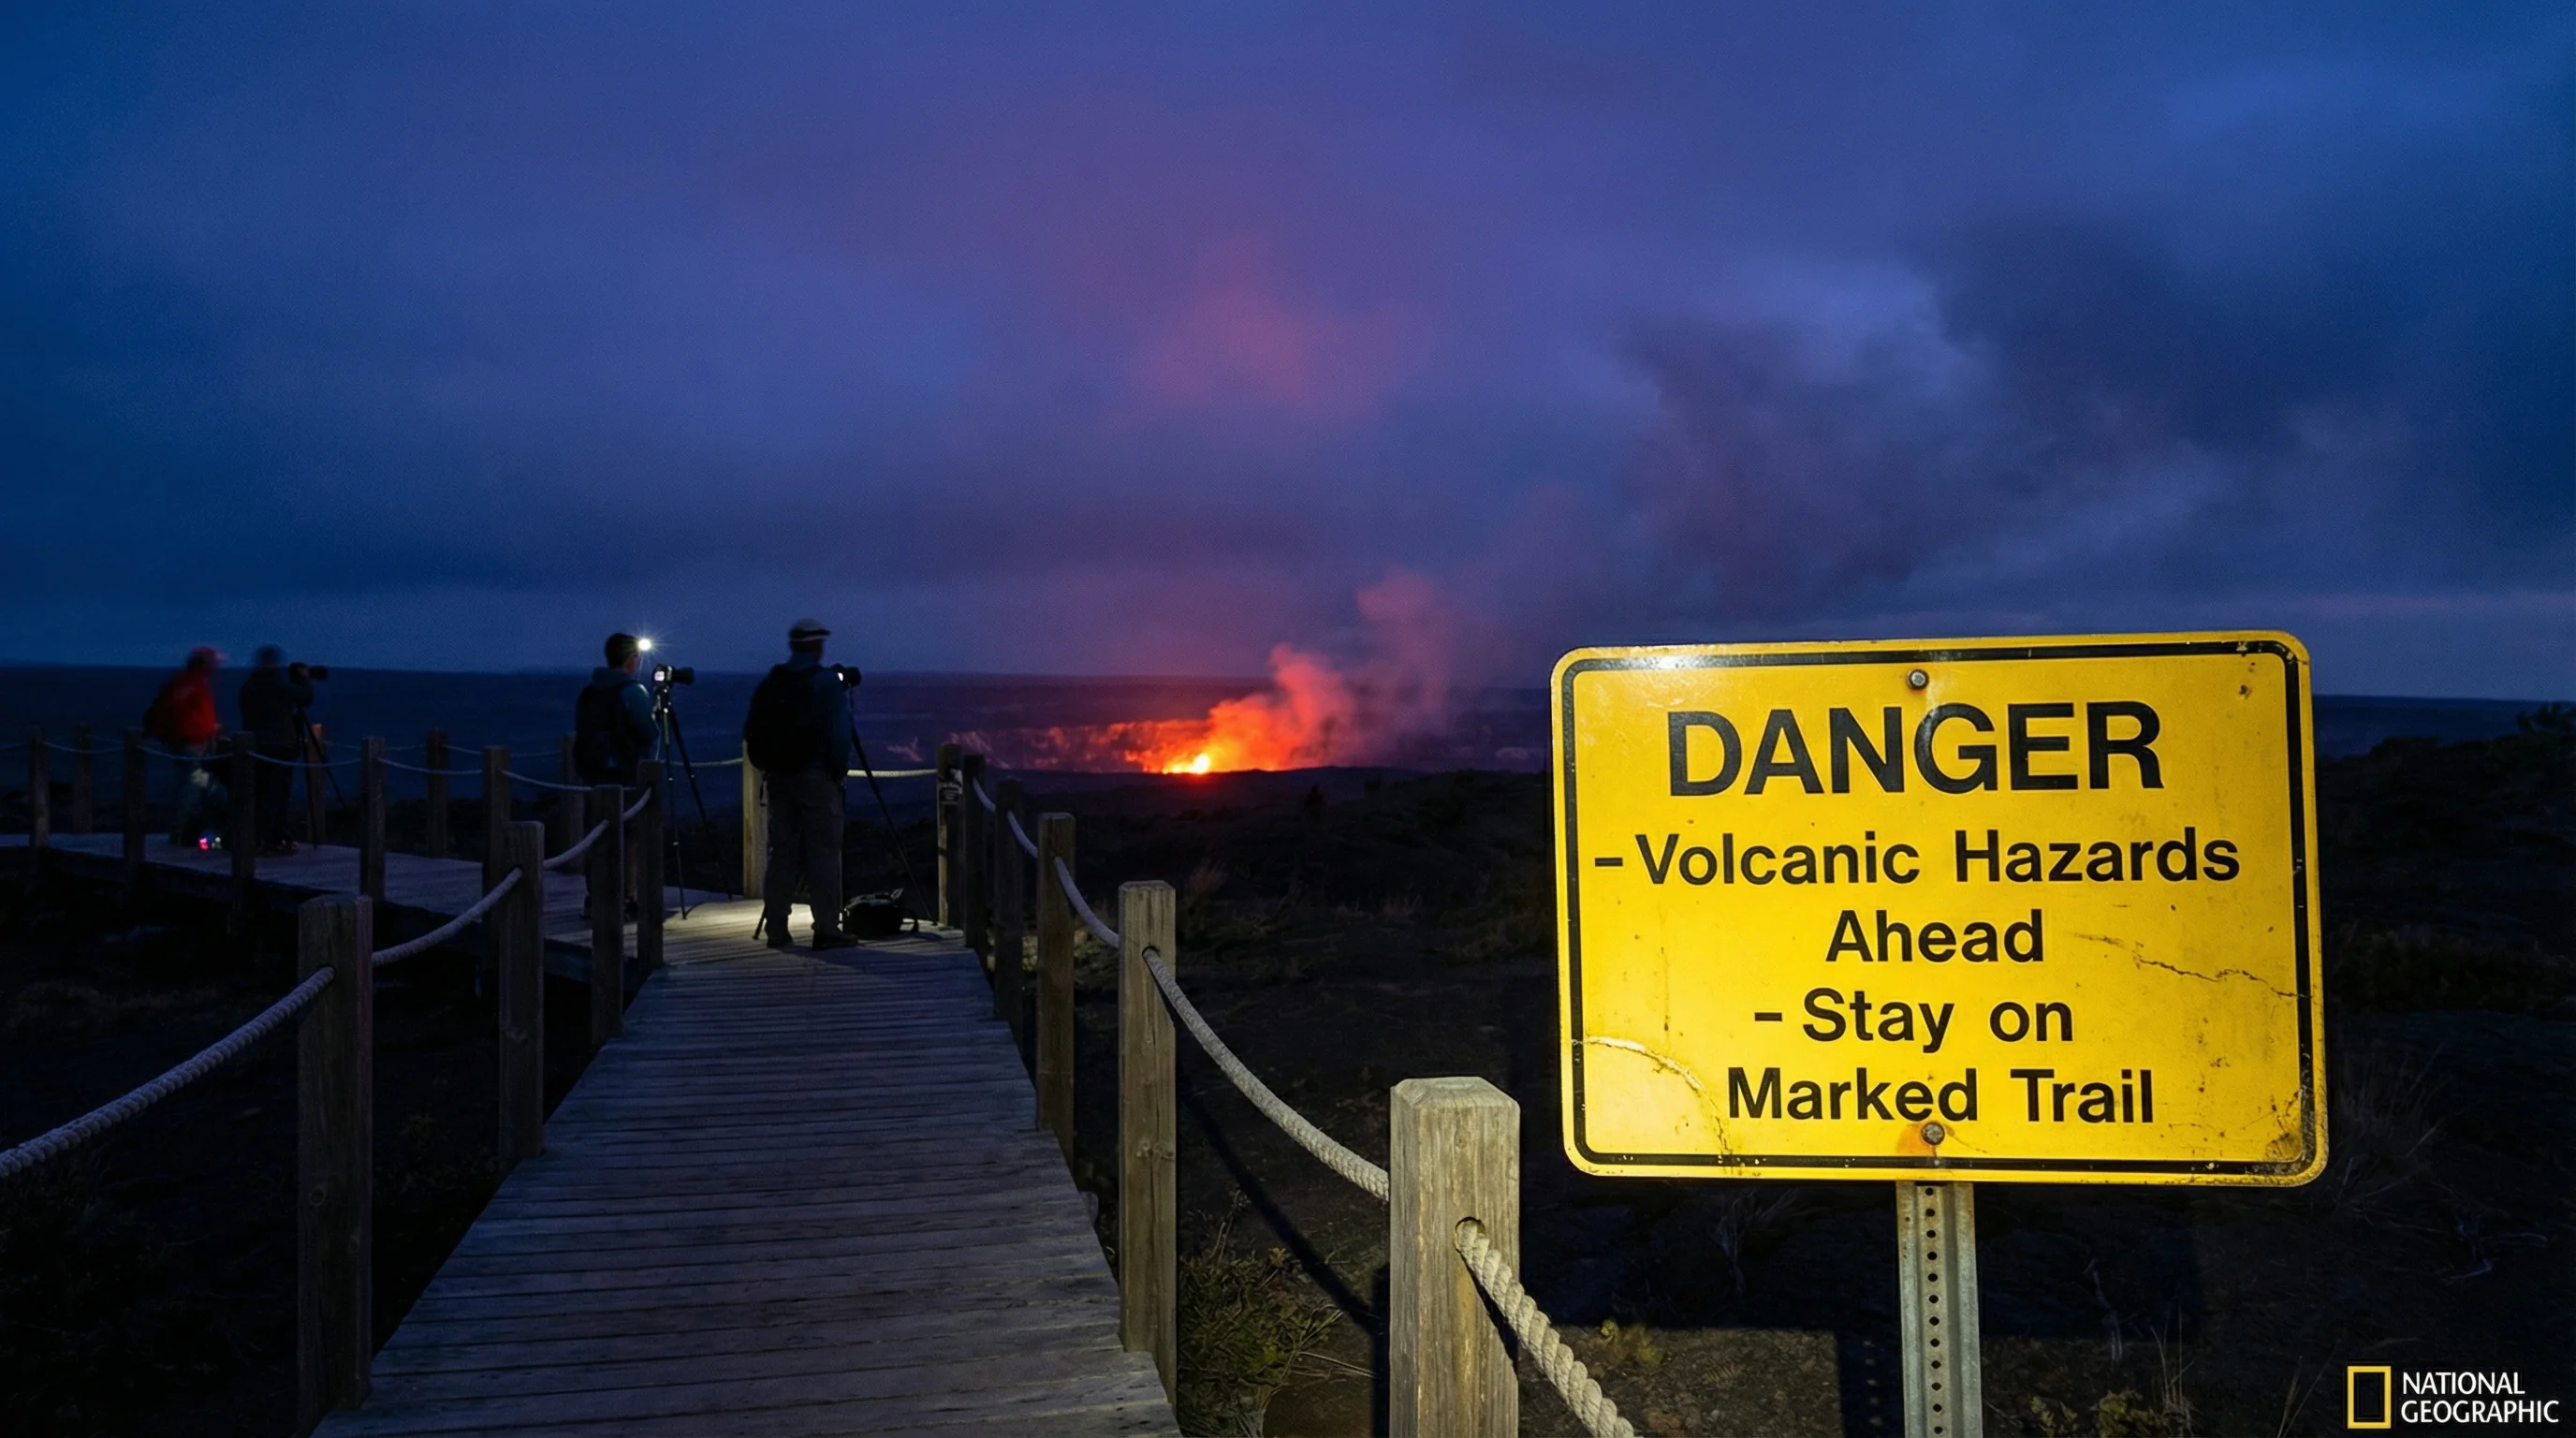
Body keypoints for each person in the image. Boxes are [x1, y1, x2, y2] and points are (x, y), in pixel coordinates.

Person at [746, 617, 855, 950]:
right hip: (815, 777)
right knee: (823, 853)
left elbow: (752, 731)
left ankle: (777, 928)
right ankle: (826, 928)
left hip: (778, 777)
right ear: (818, 646)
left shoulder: (773, 681)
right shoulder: (826, 683)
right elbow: (840, 734)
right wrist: (837, 772)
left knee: (781, 854)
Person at [237, 646, 317, 855]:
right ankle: (270, 839)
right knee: (276, 794)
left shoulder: (249, 686)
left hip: (255, 745)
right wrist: (304, 679)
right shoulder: (276, 684)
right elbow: (305, 698)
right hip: (280, 746)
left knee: (260, 792)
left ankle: (256, 837)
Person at [143, 646, 225, 846]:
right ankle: (179, 834)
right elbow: (181, 714)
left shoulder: (192, 684)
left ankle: (202, 837)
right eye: (213, 662)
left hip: (195, 746)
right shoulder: (189, 685)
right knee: (197, 788)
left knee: (196, 788)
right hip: (190, 747)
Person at [574, 633, 658, 786]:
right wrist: (656, 714)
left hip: (592, 769)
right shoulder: (633, 691)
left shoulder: (589, 691)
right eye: (636, 657)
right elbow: (649, 733)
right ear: (631, 658)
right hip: (625, 772)